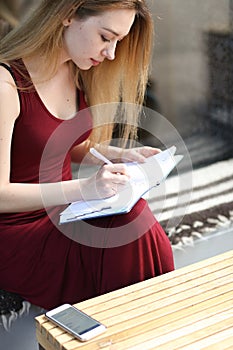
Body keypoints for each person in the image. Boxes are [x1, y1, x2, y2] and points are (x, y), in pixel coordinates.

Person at [0, 0, 174, 311]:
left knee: (130, 217)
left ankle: (150, 324)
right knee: (128, 224)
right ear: (68, 14)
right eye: (106, 37)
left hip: (65, 214)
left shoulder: (74, 69)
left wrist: (120, 155)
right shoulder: (6, 85)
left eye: (118, 42)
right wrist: (85, 189)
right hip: (16, 234)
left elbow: (52, 145)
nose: (112, 54)